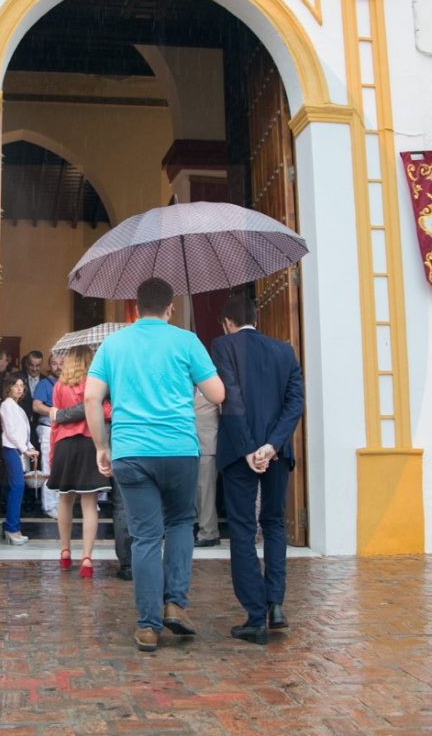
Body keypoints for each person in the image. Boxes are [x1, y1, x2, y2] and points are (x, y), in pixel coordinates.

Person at [84, 277, 224, 652]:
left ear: (136, 305)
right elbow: (218, 393)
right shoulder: (185, 340)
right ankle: (175, 603)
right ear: (170, 307)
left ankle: (148, 626)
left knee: (146, 536)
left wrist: (102, 445)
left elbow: (91, 398)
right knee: (180, 523)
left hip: (130, 450)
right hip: (179, 449)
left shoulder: (113, 344)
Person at [211, 295, 304, 645]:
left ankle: (255, 615)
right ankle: (275, 603)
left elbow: (230, 398)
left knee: (242, 528)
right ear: (255, 319)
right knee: (275, 523)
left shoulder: (223, 346)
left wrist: (250, 448)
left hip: (239, 452)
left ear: (227, 323)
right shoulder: (285, 351)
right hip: (277, 451)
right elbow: (295, 402)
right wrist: (272, 445)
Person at [48, 346, 111, 578]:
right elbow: (105, 411)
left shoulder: (59, 386)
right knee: (89, 502)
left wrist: (52, 454)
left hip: (65, 444)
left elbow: (54, 423)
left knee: (64, 500)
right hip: (89, 443)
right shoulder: (95, 384)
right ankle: (86, 558)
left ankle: (65, 552)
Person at [0, 374, 37, 545]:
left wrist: (29, 447)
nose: (20, 389)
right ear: (9, 387)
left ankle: (14, 528)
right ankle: (11, 528)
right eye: (16, 385)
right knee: (18, 486)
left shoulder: (17, 407)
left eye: (22, 385)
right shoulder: (7, 405)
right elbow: (11, 432)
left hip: (18, 449)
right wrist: (24, 449)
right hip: (11, 449)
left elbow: (23, 433)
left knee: (16, 487)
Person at [31, 352, 64, 519]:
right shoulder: (45, 383)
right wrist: (54, 412)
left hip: (64, 429)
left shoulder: (68, 383)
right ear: (49, 366)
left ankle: (59, 503)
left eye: (61, 363)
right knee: (48, 467)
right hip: (48, 428)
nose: (58, 366)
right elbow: (36, 406)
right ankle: (49, 505)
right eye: (54, 363)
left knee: (62, 468)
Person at [194, 390, 221, 547]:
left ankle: (208, 533)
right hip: (178, 442)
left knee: (205, 489)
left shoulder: (214, 380)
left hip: (207, 442)